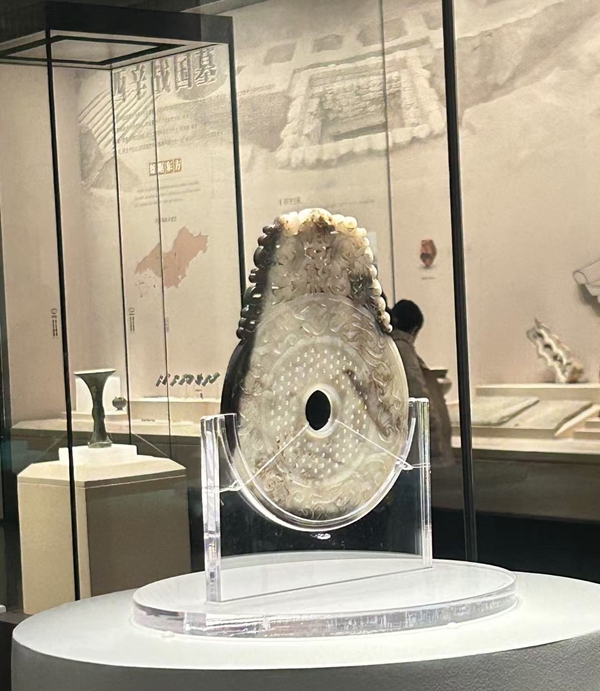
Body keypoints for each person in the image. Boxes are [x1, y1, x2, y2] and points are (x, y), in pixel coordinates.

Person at [390, 299, 454, 467]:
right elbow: (418, 394)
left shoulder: (387, 347)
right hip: (413, 442)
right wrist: (434, 437)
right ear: (415, 330)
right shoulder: (403, 350)